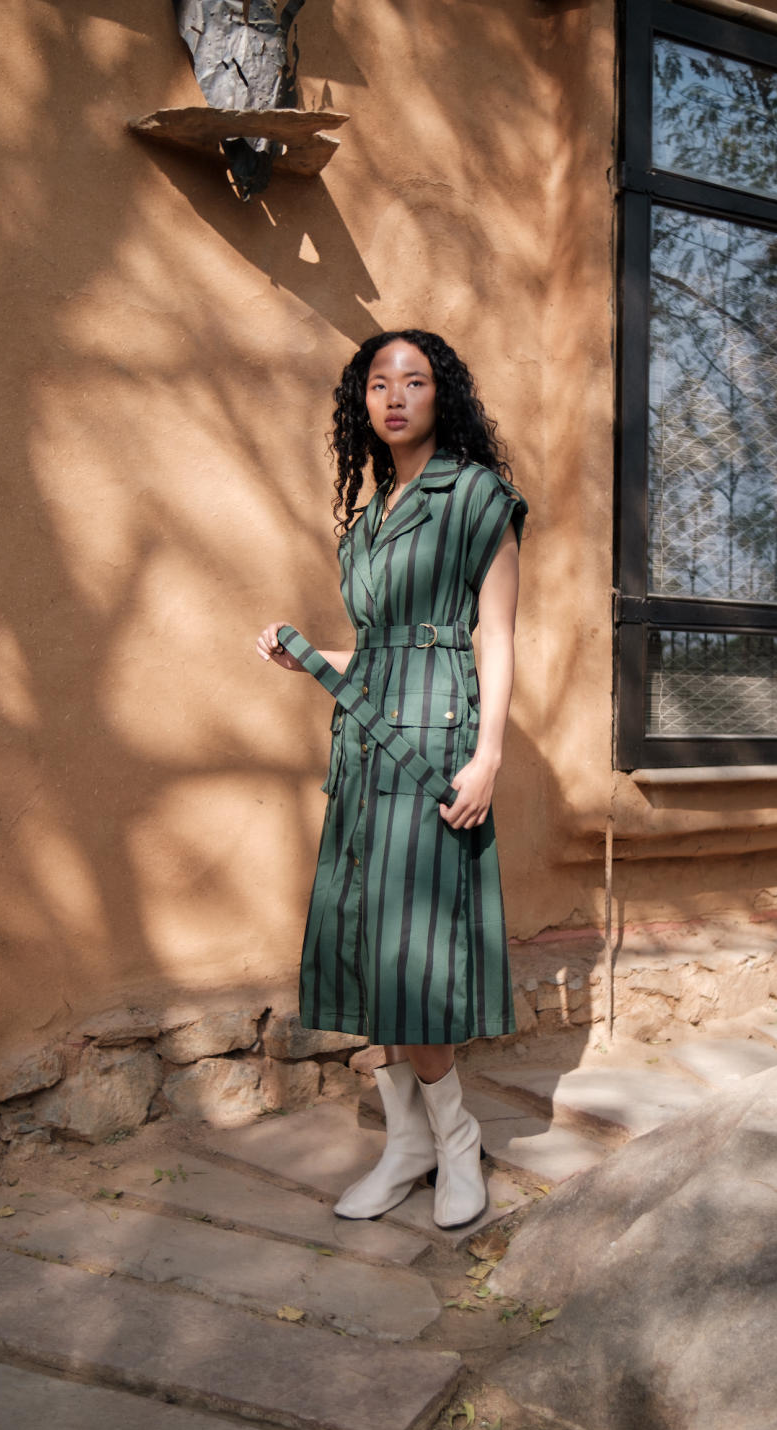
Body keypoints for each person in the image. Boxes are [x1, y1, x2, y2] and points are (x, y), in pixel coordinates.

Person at [256, 329, 527, 1229]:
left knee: (417, 963)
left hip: (438, 744)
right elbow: (381, 652)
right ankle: (405, 1143)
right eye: (380, 383)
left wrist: (488, 756)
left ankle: (456, 1145)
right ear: (362, 403)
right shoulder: (370, 516)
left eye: (415, 381)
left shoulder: (477, 496)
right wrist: (309, 656)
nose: (397, 396)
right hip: (366, 745)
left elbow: (495, 636)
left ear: (440, 395)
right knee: (375, 956)